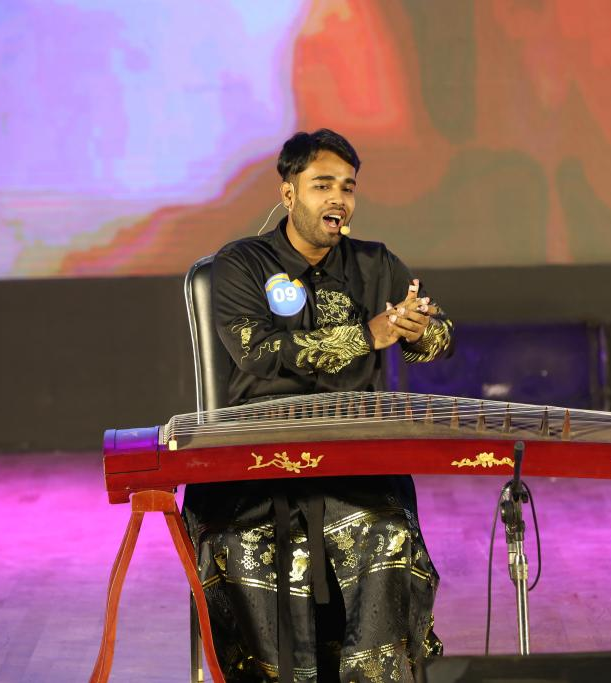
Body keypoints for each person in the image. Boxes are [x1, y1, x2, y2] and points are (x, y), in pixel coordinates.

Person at [182, 129, 453, 682]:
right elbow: (259, 352)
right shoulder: (242, 263)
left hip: (353, 460)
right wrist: (367, 335)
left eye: (348, 187)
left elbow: (440, 339)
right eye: (322, 185)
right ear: (288, 193)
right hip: (257, 462)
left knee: (385, 531)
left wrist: (419, 328)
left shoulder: (375, 263)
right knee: (241, 544)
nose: (339, 199)